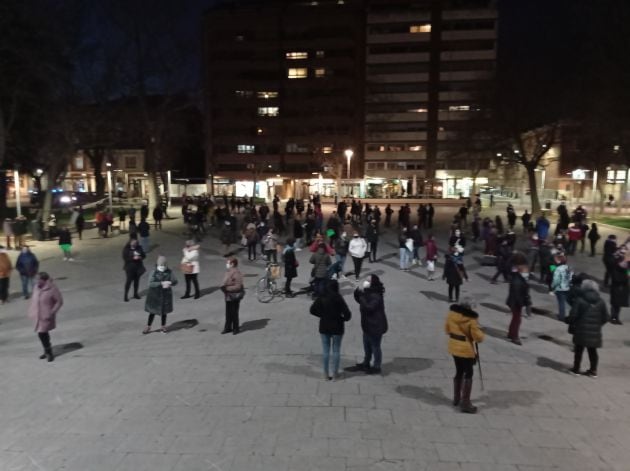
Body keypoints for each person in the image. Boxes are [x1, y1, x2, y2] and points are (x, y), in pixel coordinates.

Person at [444, 297, 484, 413]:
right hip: (465, 349)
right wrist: (481, 333)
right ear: (470, 307)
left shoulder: (451, 314)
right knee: (469, 372)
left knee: (459, 370)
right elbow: (478, 338)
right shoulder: (471, 319)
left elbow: (447, 330)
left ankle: (456, 398)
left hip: (453, 346)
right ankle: (465, 403)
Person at [310, 279, 352, 380]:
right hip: (337, 326)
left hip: (324, 326)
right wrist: (343, 319)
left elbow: (312, 310)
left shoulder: (321, 297)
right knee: (336, 350)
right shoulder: (338, 298)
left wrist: (322, 315)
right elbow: (347, 314)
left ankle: (325, 374)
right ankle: (335, 374)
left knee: (325, 350)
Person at [567, 279, 609, 377]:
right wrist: (598, 324)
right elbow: (606, 317)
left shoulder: (580, 299)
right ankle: (593, 371)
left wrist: (568, 320)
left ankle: (576, 369)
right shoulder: (601, 301)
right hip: (595, 331)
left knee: (579, 350)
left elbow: (573, 315)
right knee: (593, 351)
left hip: (581, 329)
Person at [353, 274, 388, 375]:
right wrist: (357, 293)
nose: (366, 282)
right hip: (368, 325)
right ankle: (366, 362)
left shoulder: (376, 295)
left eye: (368, 280)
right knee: (367, 346)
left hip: (375, 326)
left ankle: (377, 366)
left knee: (375, 346)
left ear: (373, 283)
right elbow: (361, 301)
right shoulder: (368, 292)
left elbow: (369, 307)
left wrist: (361, 296)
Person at [28, 272, 63, 362]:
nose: (35, 281)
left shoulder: (52, 288)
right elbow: (34, 299)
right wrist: (31, 310)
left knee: (42, 333)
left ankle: (49, 352)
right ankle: (46, 350)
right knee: (42, 333)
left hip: (46, 315)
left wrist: (52, 312)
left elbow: (59, 301)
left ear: (44, 280)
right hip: (37, 315)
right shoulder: (36, 287)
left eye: (38, 279)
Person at [143, 255, 178, 334]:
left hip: (165, 295)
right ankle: (148, 326)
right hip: (154, 295)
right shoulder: (154, 272)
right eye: (161, 265)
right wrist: (161, 283)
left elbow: (175, 281)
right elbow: (150, 283)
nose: (162, 267)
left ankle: (163, 327)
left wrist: (170, 283)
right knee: (152, 312)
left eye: (164, 265)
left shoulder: (169, 272)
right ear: (158, 264)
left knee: (164, 312)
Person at [505, 257, 531, 345]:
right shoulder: (517, 281)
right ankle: (514, 337)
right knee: (517, 320)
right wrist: (522, 305)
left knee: (515, 318)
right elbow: (518, 295)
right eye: (526, 270)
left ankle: (511, 333)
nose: (527, 272)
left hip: (514, 302)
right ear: (521, 270)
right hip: (516, 303)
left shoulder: (518, 277)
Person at [221, 257, 244, 334]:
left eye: (228, 263)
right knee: (228, 312)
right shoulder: (228, 271)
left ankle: (235, 328)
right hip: (228, 295)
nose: (226, 264)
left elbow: (238, 286)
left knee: (234, 312)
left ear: (232, 264)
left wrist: (227, 288)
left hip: (234, 295)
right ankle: (227, 327)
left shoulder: (236, 273)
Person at [609, 250, 629, 325]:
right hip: (617, 289)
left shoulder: (626, 269)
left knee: (619, 305)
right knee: (615, 304)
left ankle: (616, 318)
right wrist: (626, 277)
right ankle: (613, 318)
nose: (625, 264)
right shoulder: (616, 269)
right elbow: (617, 279)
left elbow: (628, 272)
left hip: (622, 289)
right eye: (624, 263)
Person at [551, 254, 572, 321]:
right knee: (567, 301)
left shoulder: (558, 269)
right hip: (567, 287)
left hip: (560, 288)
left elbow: (556, 280)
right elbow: (570, 277)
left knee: (561, 303)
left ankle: (561, 317)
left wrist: (553, 287)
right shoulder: (568, 268)